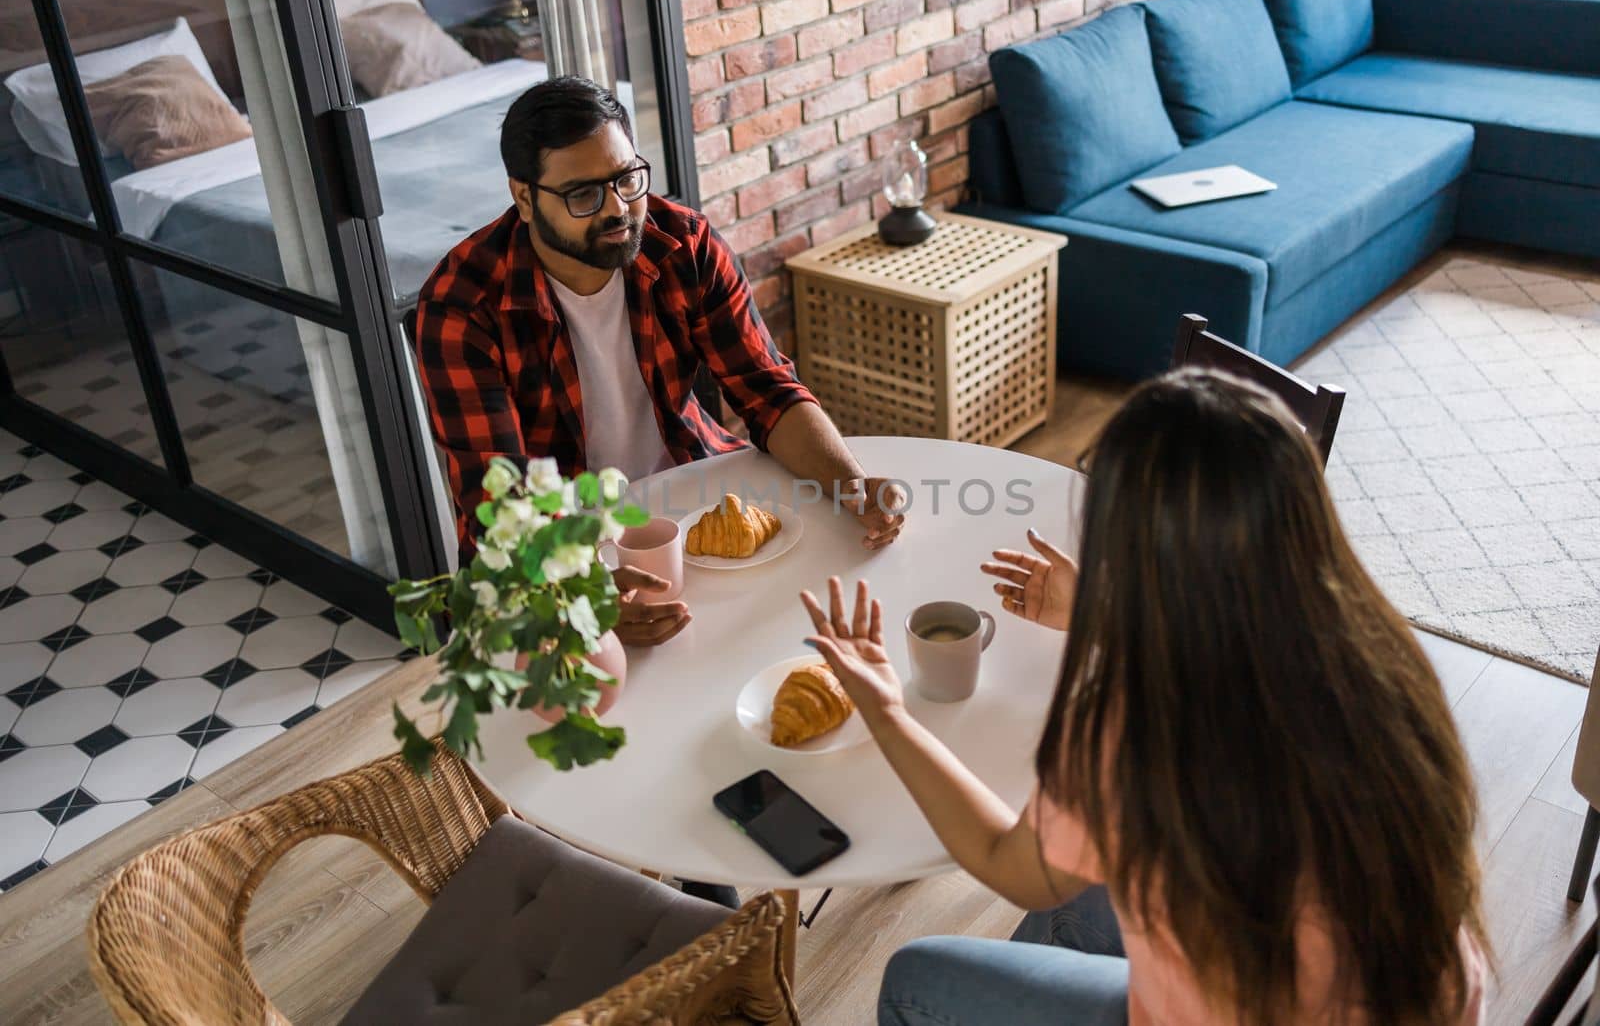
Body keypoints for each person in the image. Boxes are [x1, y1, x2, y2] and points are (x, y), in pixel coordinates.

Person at [798, 369, 1488, 1025]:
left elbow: (1012, 866)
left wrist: (884, 707)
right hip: (1420, 1000)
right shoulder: (1382, 654)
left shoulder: (1136, 727)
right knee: (1077, 899)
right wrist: (1108, 611)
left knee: (915, 976)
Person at [414, 76, 905, 648]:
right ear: (524, 197)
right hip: (551, 552)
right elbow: (500, 504)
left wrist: (852, 485)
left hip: (693, 500)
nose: (618, 209)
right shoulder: (461, 306)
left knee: (812, 624)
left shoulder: (683, 245)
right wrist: (587, 598)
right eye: (583, 195)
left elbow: (767, 392)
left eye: (626, 179)